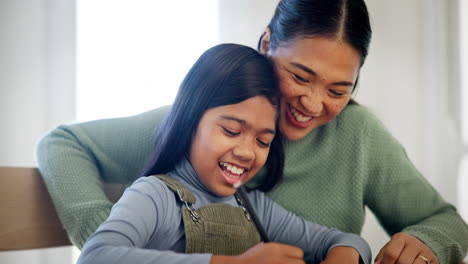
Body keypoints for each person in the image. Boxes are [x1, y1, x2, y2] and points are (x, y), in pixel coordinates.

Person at [37, 0, 468, 263]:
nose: (314, 104)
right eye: (300, 77)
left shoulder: (355, 136)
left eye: (339, 89)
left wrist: (420, 241)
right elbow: (63, 143)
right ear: (266, 46)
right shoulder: (201, 120)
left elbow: (445, 222)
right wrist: (104, 231)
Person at [76, 43, 372, 264]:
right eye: (231, 131)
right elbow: (95, 257)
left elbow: (344, 240)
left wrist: (343, 254)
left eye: (263, 141)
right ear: (191, 121)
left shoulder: (254, 207)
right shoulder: (155, 196)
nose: (246, 152)